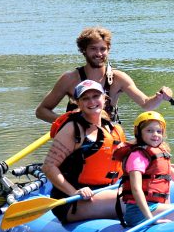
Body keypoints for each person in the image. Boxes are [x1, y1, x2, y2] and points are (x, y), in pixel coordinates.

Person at [36, 26, 173, 124]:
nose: (99, 54)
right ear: (83, 50)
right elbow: (42, 111)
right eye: (93, 49)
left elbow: (146, 104)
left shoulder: (118, 78)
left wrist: (161, 96)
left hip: (108, 140)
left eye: (103, 49)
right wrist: (66, 121)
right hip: (76, 140)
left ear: (108, 50)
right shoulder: (69, 79)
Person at [41, 80, 126, 223]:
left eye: (96, 96)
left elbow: (127, 161)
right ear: (78, 103)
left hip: (106, 191)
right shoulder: (73, 129)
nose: (91, 101)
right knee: (133, 200)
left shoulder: (113, 129)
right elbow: (48, 167)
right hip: (75, 200)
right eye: (85, 98)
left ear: (105, 99)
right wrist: (74, 192)